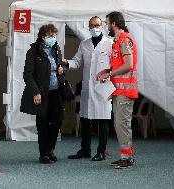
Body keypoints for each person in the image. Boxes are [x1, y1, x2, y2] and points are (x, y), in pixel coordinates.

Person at [63, 16, 113, 161]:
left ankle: (101, 151)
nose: (94, 28)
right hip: (87, 87)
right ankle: (85, 150)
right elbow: (77, 62)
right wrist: (67, 63)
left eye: (96, 25)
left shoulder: (109, 43)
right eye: (91, 26)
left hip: (103, 87)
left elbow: (115, 65)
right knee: (85, 119)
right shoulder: (84, 44)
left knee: (102, 121)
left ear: (102, 26)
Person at [97, 11, 138, 169]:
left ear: (114, 23)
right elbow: (121, 64)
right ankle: (125, 156)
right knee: (119, 124)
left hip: (125, 91)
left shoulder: (124, 39)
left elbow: (129, 65)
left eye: (107, 23)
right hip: (119, 91)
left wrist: (111, 73)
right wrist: (108, 71)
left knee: (122, 125)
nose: (107, 26)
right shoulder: (118, 40)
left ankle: (127, 158)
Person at [20, 24, 64, 164]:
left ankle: (50, 149)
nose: (53, 38)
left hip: (56, 91)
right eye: (50, 36)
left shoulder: (56, 49)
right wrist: (36, 92)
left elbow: (57, 67)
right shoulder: (33, 51)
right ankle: (44, 153)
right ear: (43, 37)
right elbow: (28, 74)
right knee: (43, 124)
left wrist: (61, 69)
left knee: (56, 121)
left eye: (54, 36)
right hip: (41, 93)